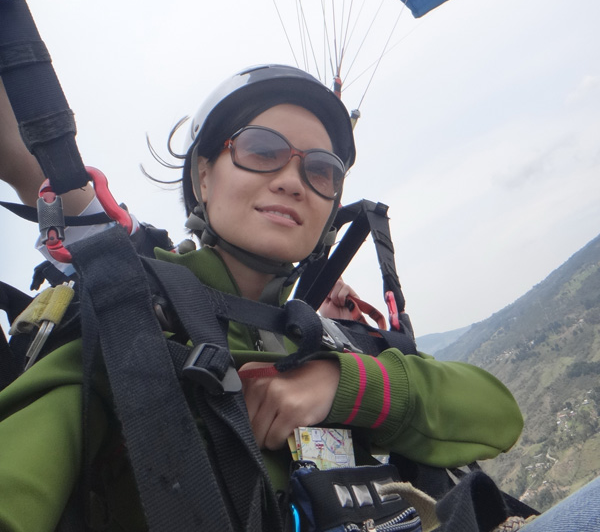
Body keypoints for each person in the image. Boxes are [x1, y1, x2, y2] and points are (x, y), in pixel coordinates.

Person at [0, 65, 524, 531]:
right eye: (261, 151)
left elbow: (497, 415)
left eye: (320, 170)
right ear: (204, 176)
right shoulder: (128, 333)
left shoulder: (326, 339)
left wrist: (340, 385)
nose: (293, 182)